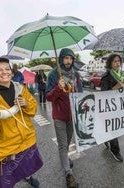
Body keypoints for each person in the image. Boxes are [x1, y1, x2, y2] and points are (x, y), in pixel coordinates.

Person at [0, 57, 43, 188]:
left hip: (26, 141)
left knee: (26, 166)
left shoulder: (21, 89)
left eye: (7, 69)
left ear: (11, 71)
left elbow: (33, 109)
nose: (4, 72)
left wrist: (26, 104)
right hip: (6, 148)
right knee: (6, 182)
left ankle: (27, 176)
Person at [46, 48, 82, 188]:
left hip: (72, 115)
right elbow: (49, 97)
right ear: (61, 59)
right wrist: (57, 88)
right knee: (62, 145)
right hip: (59, 116)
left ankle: (65, 157)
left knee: (66, 142)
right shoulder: (53, 74)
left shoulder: (76, 74)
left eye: (71, 58)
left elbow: (80, 93)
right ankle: (68, 174)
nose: (68, 61)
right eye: (66, 58)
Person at [100, 54, 124, 162]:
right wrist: (116, 87)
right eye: (115, 61)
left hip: (120, 106)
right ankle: (115, 151)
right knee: (114, 128)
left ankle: (106, 139)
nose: (117, 63)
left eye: (119, 61)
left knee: (116, 127)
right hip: (110, 107)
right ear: (110, 63)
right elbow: (103, 93)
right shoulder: (106, 76)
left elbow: (122, 89)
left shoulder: (122, 75)